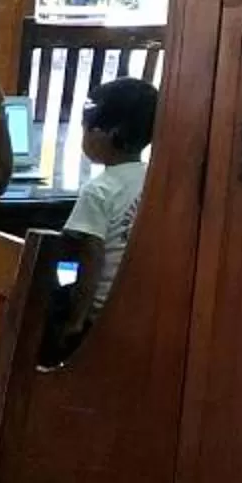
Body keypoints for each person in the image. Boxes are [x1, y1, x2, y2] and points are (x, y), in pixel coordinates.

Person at [64, 77, 156, 314]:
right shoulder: (154, 180)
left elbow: (90, 261)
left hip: (101, 312)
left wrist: (75, 321)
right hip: (139, 306)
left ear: (108, 133)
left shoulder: (99, 191)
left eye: (85, 128)